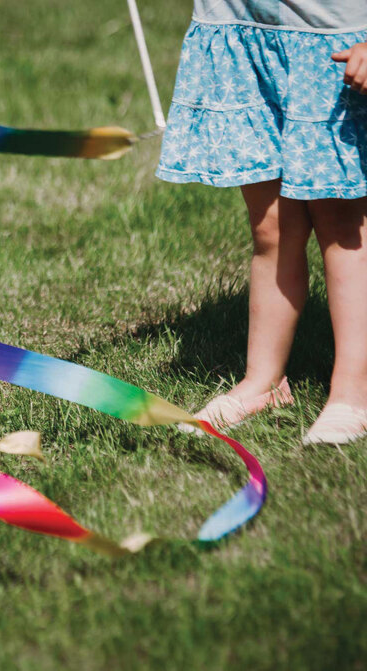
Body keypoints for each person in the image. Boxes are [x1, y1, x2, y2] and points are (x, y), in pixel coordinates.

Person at [157, 1, 367, 444]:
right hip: (242, 33)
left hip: (332, 39)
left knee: (341, 224)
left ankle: (353, 392)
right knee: (271, 226)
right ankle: (263, 382)